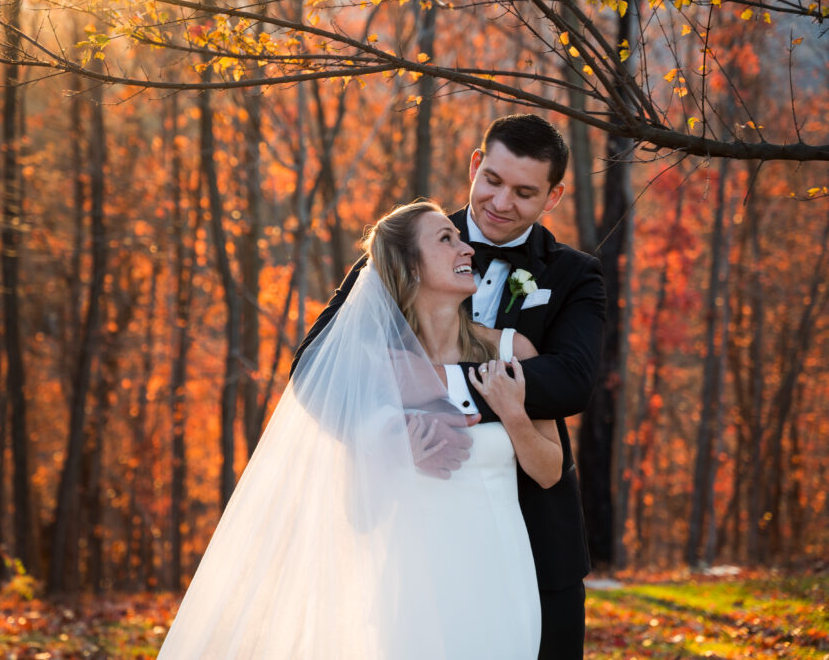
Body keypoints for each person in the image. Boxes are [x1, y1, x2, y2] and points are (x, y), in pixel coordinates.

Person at [158, 201, 561, 658]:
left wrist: (512, 413)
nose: (466, 246)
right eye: (446, 239)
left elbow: (549, 471)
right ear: (410, 268)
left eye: (458, 236)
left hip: (499, 580)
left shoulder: (514, 352)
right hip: (409, 594)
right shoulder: (375, 371)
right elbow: (358, 517)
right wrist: (391, 450)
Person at [292, 114, 606, 658]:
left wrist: (443, 382)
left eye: (525, 192)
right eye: (493, 181)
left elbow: (570, 383)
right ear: (475, 165)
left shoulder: (574, 275)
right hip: (418, 542)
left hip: (536, 542)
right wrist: (387, 436)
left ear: (552, 198)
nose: (502, 202)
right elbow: (315, 369)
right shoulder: (406, 247)